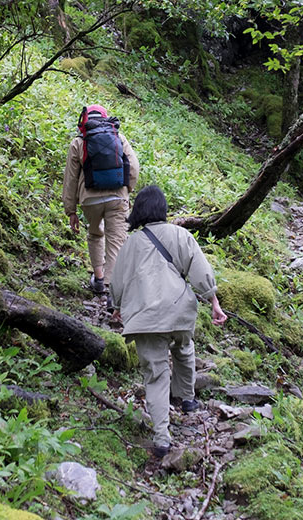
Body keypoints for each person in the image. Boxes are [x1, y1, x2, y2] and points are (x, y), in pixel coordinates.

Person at [109, 185, 227, 458]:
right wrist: (213, 302)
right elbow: (200, 271)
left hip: (145, 318)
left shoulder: (130, 244)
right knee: (184, 349)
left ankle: (162, 438)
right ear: (163, 209)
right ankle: (187, 399)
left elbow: (117, 280)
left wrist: (116, 307)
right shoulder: (180, 235)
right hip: (179, 312)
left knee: (156, 375)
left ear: (138, 211)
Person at [62, 104, 139, 303]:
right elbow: (134, 167)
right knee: (116, 241)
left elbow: (70, 179)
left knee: (95, 234)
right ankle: (113, 291)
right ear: (105, 118)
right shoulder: (119, 137)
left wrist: (71, 210)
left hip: (90, 199)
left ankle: (98, 279)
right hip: (117, 198)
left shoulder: (78, 142)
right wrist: (127, 189)